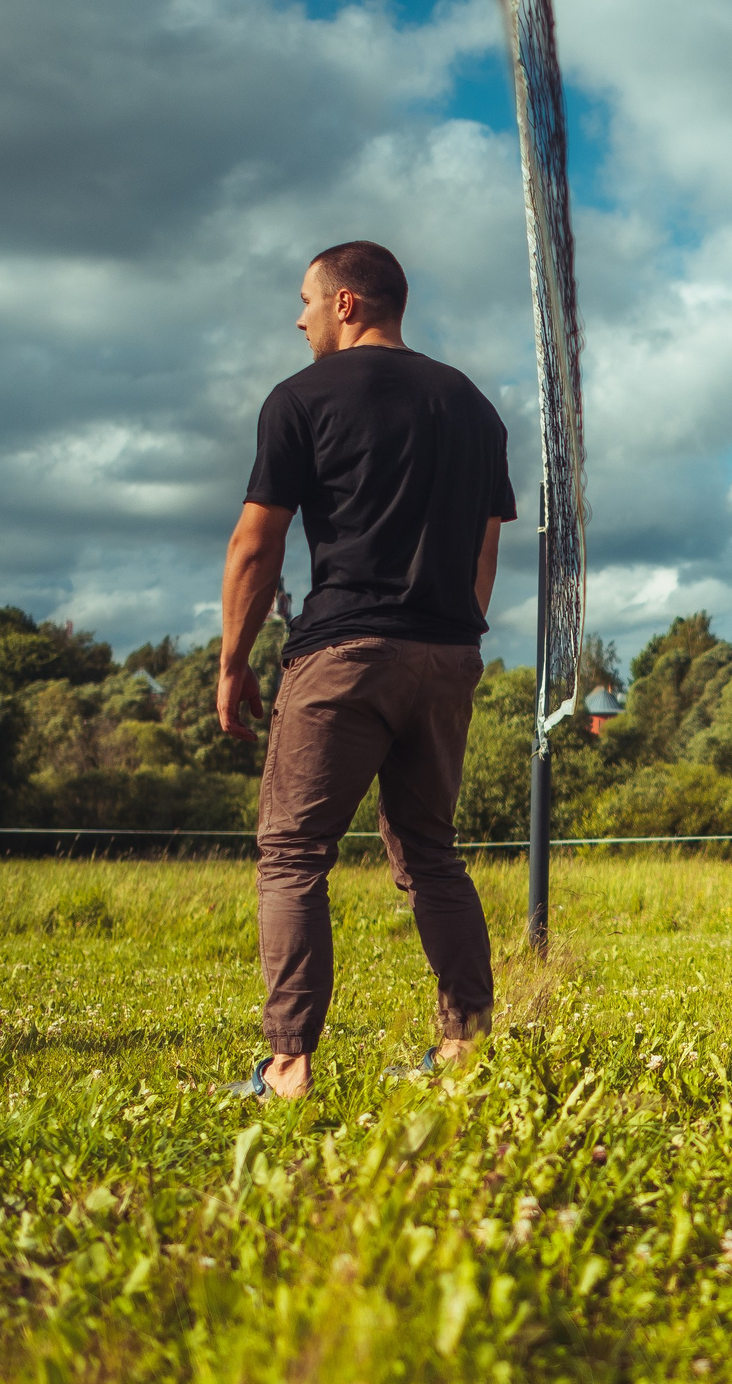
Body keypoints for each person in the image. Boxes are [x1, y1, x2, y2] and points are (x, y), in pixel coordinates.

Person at [217, 240, 516, 1099]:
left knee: (292, 852)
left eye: (306, 300)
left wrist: (233, 661)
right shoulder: (472, 405)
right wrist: (460, 637)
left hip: (343, 652)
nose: (299, 316)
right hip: (448, 653)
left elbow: (255, 544)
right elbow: (484, 544)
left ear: (347, 303)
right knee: (431, 852)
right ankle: (464, 1055)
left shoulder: (300, 399)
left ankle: (288, 1066)